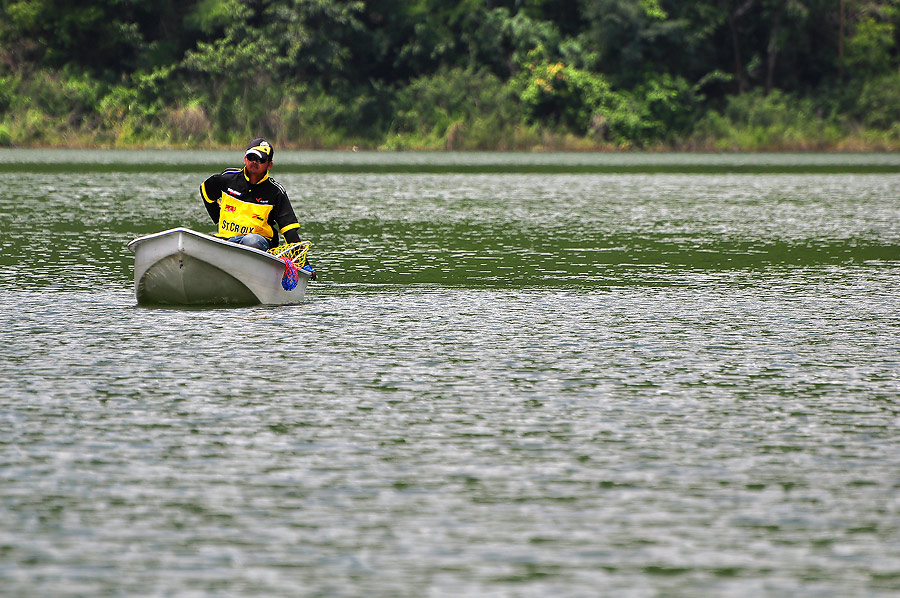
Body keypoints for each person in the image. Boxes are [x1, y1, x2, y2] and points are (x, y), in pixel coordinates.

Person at [200, 137, 315, 278]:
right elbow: (205, 190)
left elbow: (289, 230)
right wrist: (216, 216)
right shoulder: (228, 178)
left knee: (251, 241)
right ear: (244, 159)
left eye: (260, 159)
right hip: (227, 241)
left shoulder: (276, 192)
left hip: (258, 244)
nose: (254, 162)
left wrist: (303, 263)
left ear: (269, 165)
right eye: (251, 157)